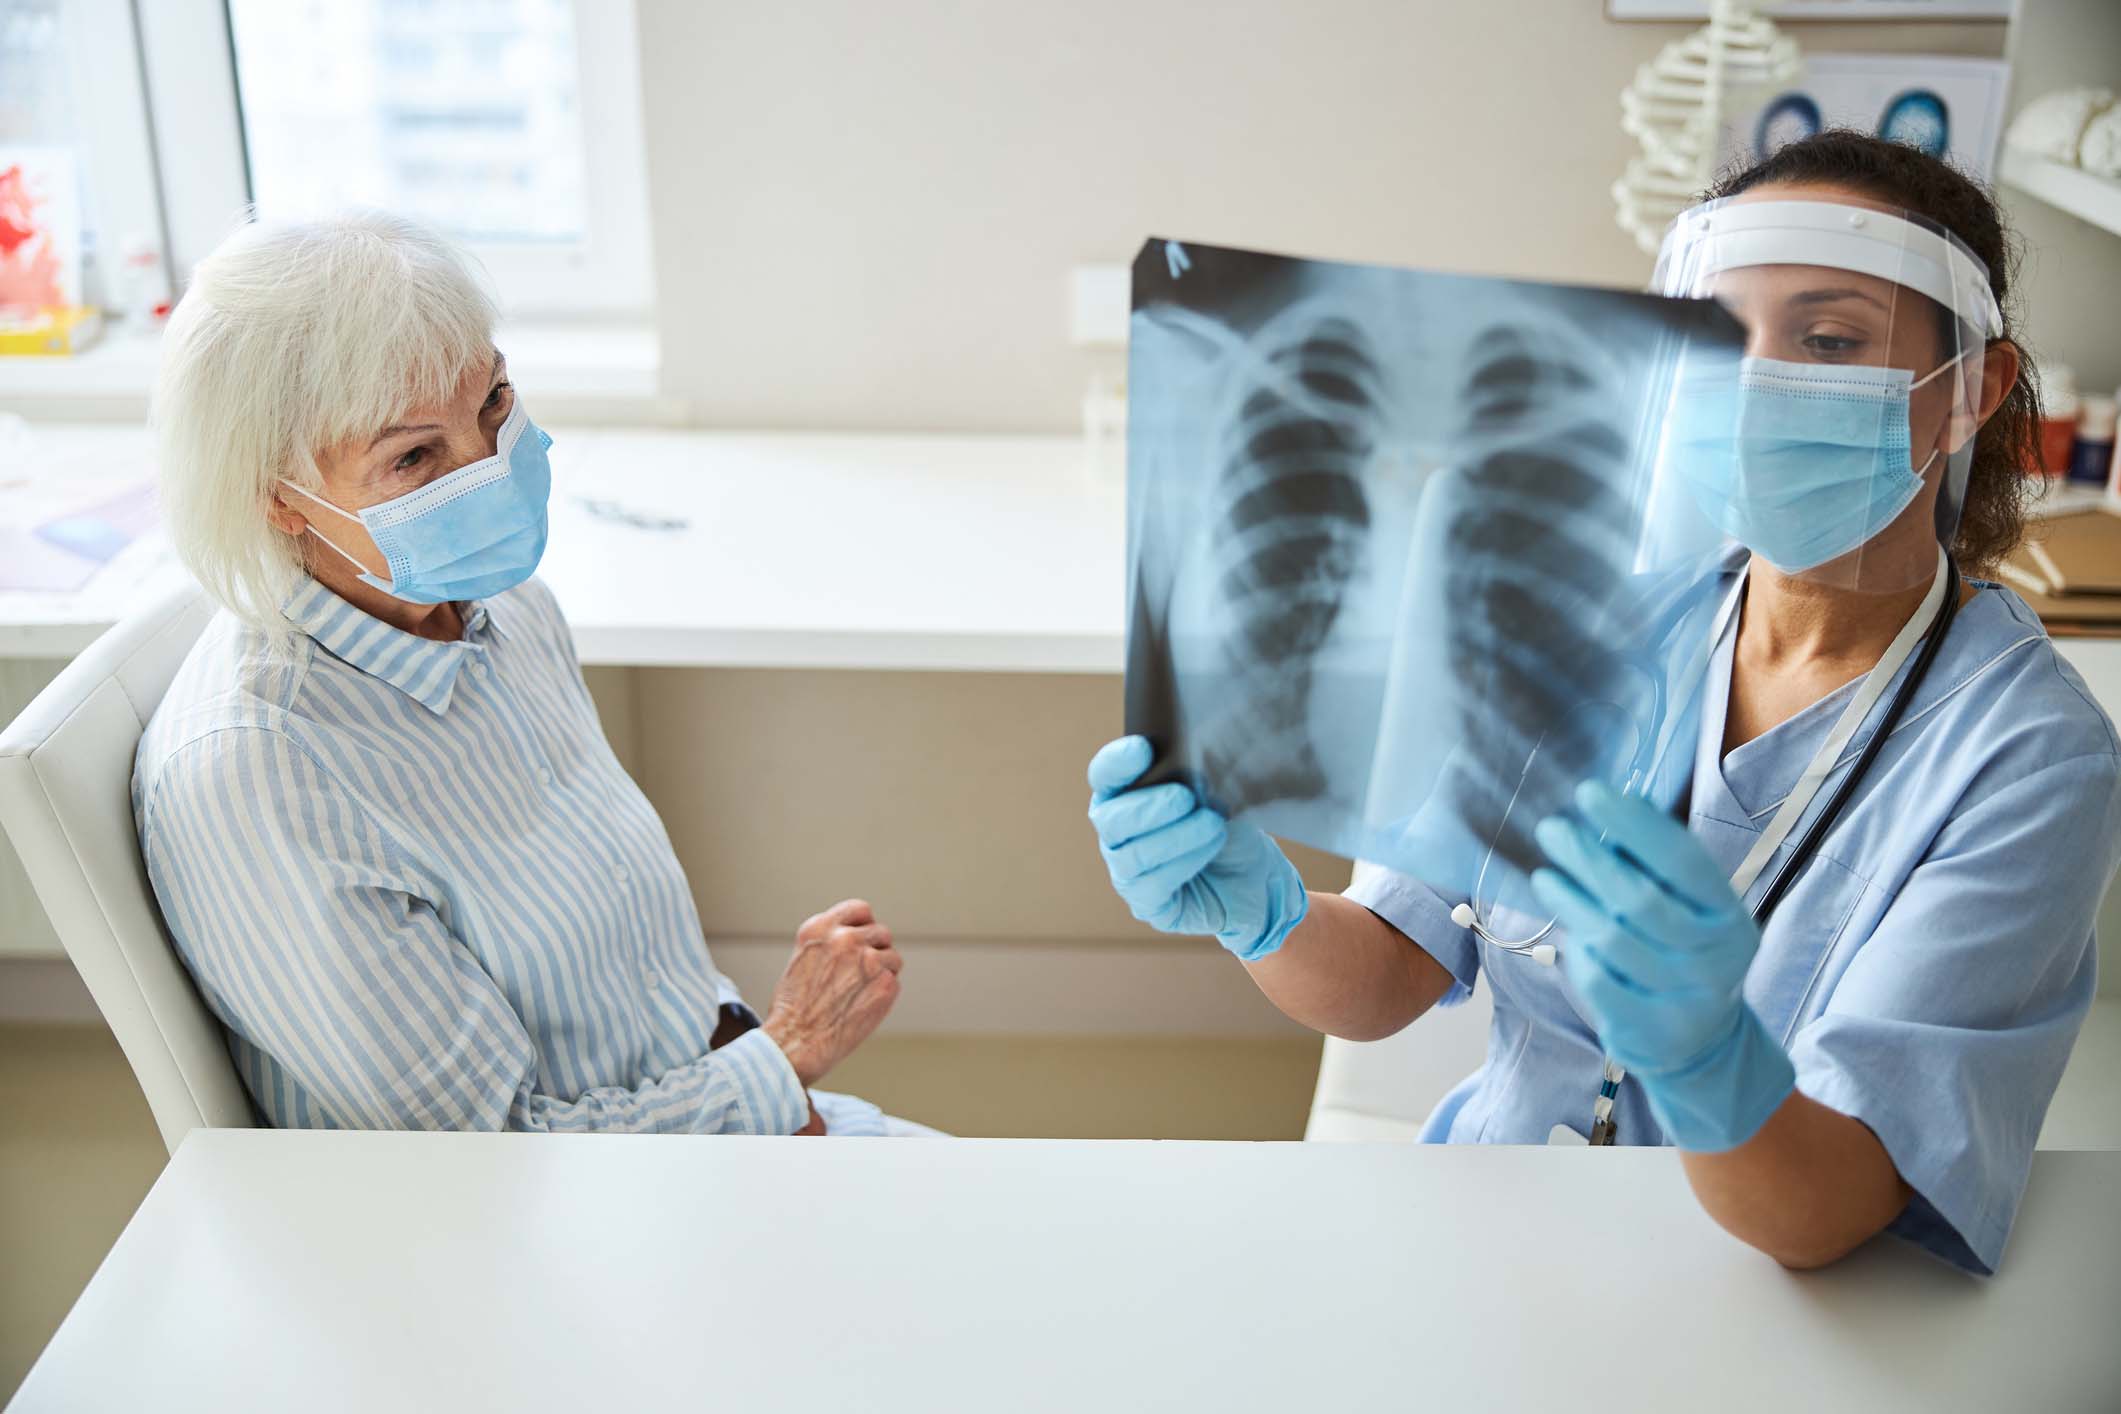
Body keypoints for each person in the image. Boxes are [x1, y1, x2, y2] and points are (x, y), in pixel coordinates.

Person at [1087, 131, 2121, 1274]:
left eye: (1829, 341)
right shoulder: (1579, 634)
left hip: (1764, 1307)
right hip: (1487, 1236)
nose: (1761, 382)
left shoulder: (2030, 759)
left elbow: (1832, 1209)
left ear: (1971, 390)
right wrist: (1261, 909)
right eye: (1723, 339)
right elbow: (1386, 973)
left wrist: (1707, 1057)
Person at [136, 212, 927, 1137]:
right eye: (414, 456)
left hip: (725, 1115)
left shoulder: (503, 606)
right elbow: (495, 1161)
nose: (489, 473)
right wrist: (787, 1052)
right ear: (275, 497)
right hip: (579, 1229)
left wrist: (770, 1078)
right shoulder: (262, 777)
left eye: (494, 403)